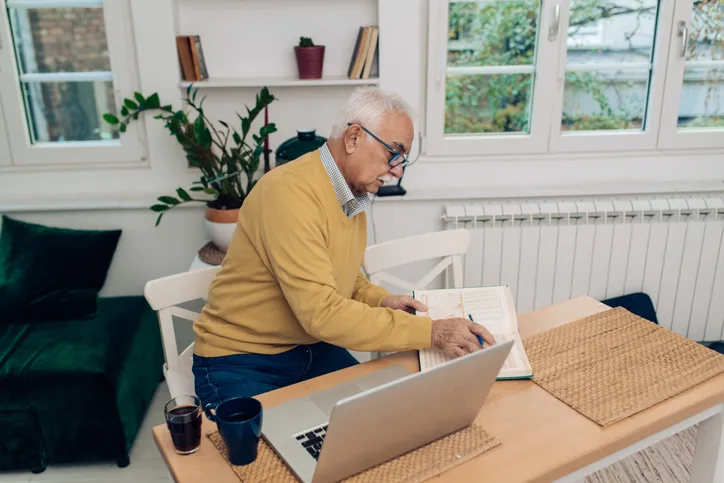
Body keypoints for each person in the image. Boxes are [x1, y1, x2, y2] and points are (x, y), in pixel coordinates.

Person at [191, 87, 496, 408]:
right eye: (394, 154)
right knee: (276, 454)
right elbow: (322, 314)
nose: (398, 171)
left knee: (382, 419)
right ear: (353, 138)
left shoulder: (350, 195)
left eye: (403, 160)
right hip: (241, 358)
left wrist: (381, 299)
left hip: (310, 348)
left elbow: (343, 277)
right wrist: (433, 332)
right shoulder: (290, 193)